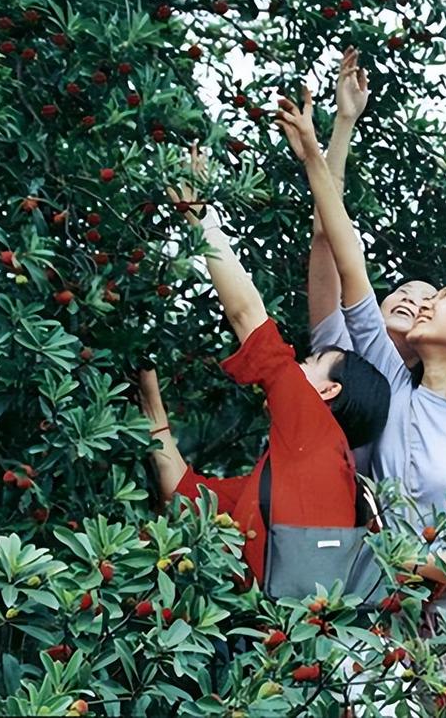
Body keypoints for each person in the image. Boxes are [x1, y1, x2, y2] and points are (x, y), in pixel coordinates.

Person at [276, 85, 446, 671]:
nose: (423, 305)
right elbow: (343, 251)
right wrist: (317, 158)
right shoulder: (392, 383)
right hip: (367, 623)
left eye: (443, 297)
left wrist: (418, 564)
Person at [138, 150, 391, 590]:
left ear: (328, 392)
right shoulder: (293, 469)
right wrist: (151, 403)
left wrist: (203, 220)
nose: (297, 366)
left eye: (311, 363)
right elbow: (184, 494)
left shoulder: (313, 428)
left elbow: (247, 316)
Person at [308, 47, 437, 367]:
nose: (411, 299)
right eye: (405, 290)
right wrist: (345, 120)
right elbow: (326, 236)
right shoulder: (339, 349)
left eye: (427, 301)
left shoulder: (424, 400)